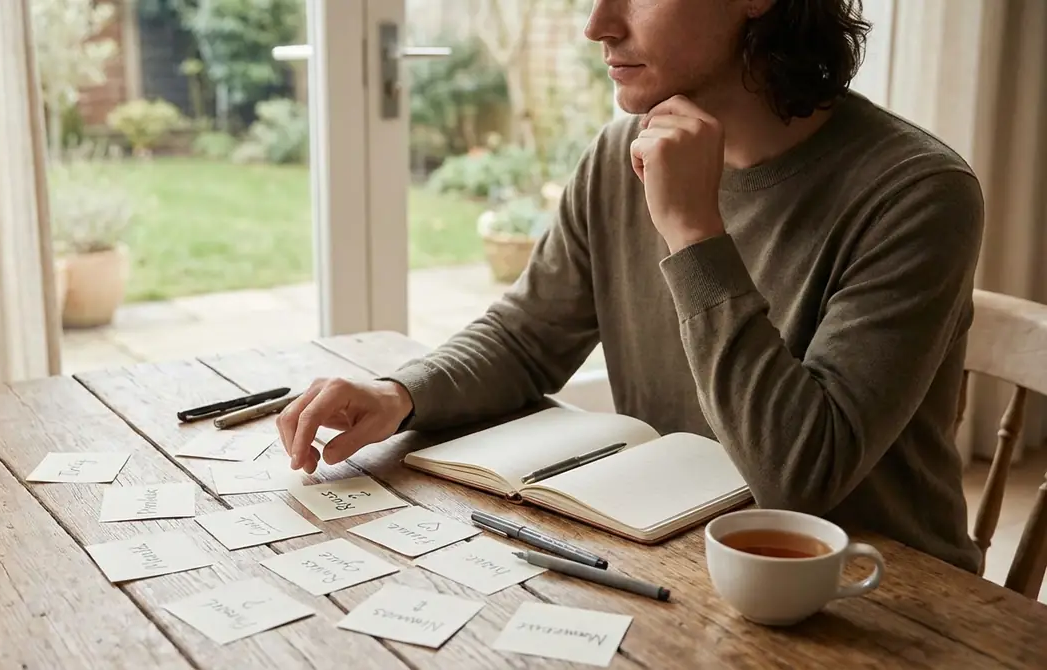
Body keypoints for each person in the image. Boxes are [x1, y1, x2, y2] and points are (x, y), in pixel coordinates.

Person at [277, 0, 985, 573]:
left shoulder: (918, 193)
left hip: (875, 593)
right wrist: (400, 393)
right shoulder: (622, 155)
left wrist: (694, 233)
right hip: (676, 553)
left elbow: (800, 474)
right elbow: (528, 338)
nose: (598, 24)